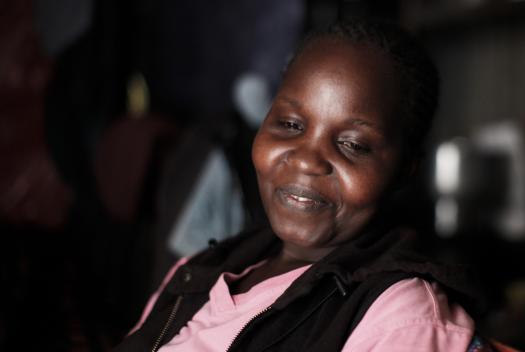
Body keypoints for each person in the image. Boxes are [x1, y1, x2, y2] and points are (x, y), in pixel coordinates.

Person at [115, 20, 495, 352]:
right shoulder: (200, 271)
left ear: (404, 170)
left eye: (353, 145)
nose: (306, 159)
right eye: (291, 125)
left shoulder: (400, 317)